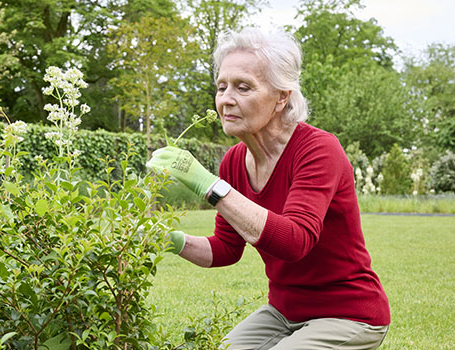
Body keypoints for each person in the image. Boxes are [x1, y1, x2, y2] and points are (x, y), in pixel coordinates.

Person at [146, 27, 390, 349]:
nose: (226, 100)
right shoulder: (233, 162)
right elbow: (225, 249)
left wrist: (209, 186)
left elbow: (295, 241)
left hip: (348, 313)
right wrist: (169, 239)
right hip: (284, 312)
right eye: (221, 87)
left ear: (281, 97)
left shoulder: (318, 150)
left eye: (243, 87)